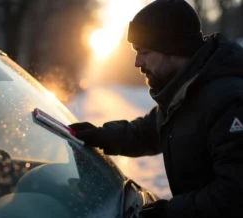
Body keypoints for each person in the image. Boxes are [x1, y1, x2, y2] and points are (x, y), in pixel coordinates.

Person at [69, 0, 243, 217]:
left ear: (173, 48)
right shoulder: (185, 91)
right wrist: (102, 136)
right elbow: (147, 131)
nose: (137, 62)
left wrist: (169, 212)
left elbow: (235, 193)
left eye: (144, 51)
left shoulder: (228, 100)